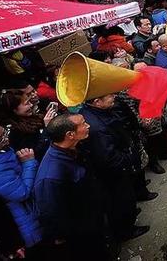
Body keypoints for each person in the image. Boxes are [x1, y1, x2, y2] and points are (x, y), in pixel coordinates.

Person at [33, 113, 109, 260]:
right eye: (83, 124)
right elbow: (53, 215)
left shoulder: (74, 149)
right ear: (70, 134)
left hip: (93, 218)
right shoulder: (51, 176)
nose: (88, 126)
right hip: (81, 232)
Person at [79, 93, 150, 242]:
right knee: (120, 202)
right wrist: (129, 160)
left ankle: (127, 218)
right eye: (109, 96)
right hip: (115, 174)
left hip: (117, 169)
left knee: (125, 199)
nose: (114, 97)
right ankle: (126, 230)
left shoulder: (97, 113)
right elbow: (109, 157)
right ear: (97, 101)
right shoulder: (97, 128)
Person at [0, 125, 43, 256]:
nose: (6, 139)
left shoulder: (3, 151)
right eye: (0, 138)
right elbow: (22, 193)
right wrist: (28, 163)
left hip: (32, 213)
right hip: (27, 224)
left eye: (5, 133)